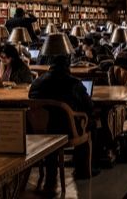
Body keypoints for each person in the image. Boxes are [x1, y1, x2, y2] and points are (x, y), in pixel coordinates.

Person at [29, 54, 94, 187]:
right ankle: (83, 169)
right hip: (67, 130)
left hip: (39, 130)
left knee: (54, 123)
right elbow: (89, 106)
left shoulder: (36, 82)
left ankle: (50, 174)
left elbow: (32, 102)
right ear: (68, 65)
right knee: (90, 123)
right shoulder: (73, 82)